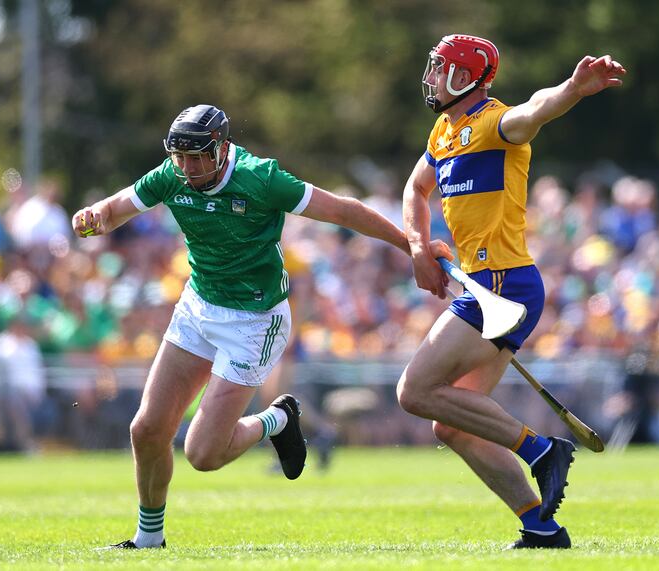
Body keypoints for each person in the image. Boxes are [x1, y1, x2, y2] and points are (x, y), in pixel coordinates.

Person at [73, 104, 450, 549]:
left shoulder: (261, 177)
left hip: (254, 322)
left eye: (199, 157)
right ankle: (148, 539)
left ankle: (277, 419)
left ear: (223, 147)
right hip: (198, 308)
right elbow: (117, 209)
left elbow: (343, 211)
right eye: (181, 157)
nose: (189, 168)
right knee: (146, 430)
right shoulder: (171, 173)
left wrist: (413, 246)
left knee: (202, 454)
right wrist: (94, 215)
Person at [398, 34, 626, 549]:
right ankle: (540, 526)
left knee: (413, 393)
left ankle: (542, 449)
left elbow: (534, 110)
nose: (431, 77)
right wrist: (418, 245)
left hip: (504, 284)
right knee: (452, 426)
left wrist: (572, 88)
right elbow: (415, 189)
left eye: (440, 69)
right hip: (486, 287)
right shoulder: (444, 131)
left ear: (464, 77)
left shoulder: (495, 122)